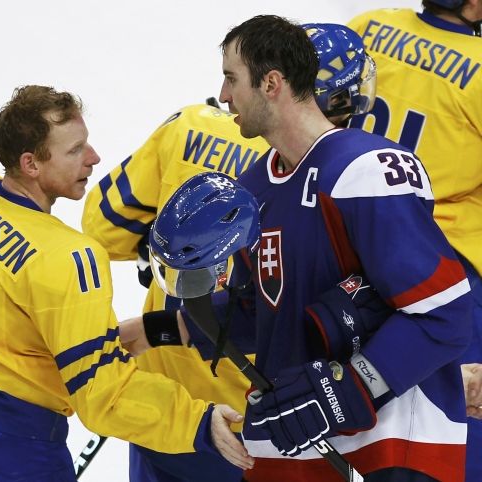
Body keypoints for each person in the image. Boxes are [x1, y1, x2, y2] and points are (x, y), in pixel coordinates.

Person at [141, 14, 472, 482]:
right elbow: (271, 314)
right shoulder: (256, 185)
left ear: (272, 82)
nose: (224, 94)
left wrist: (346, 389)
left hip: (385, 448)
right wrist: (158, 328)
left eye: (232, 78)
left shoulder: (367, 169)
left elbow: (443, 315)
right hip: (290, 447)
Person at [0, 85, 254, 482]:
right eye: (75, 151)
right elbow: (105, 397)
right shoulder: (71, 258)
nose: (94, 158)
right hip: (11, 457)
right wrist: (197, 422)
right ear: (31, 164)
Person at [82, 23, 376, 482]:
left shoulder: (190, 126)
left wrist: (163, 254)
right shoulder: (353, 180)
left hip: (160, 400)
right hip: (258, 424)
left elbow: (101, 226)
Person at [346, 3, 482, 480]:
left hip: (347, 244)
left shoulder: (369, 26)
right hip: (441, 263)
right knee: (459, 417)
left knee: (357, 405)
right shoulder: (479, 68)